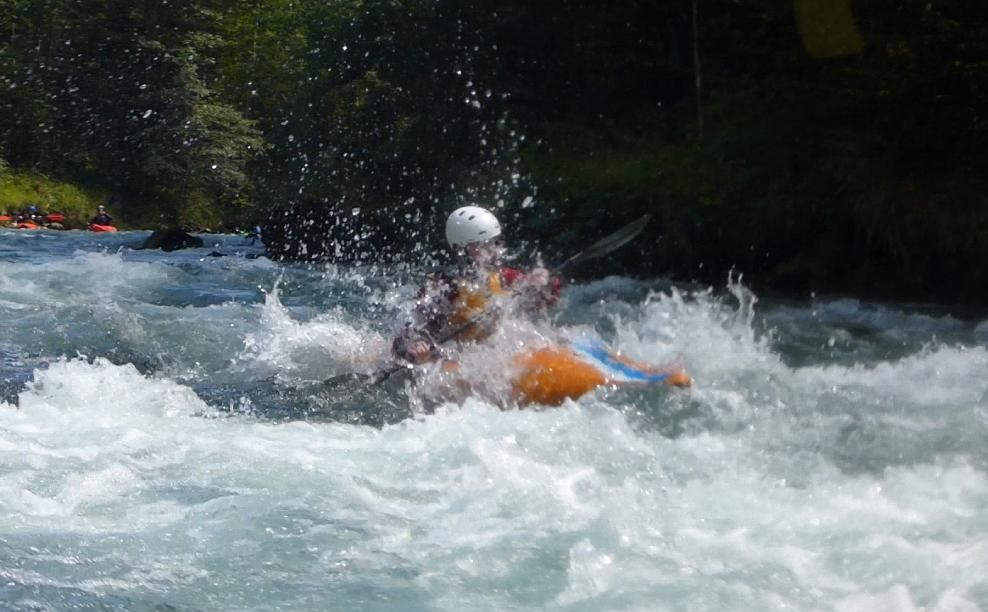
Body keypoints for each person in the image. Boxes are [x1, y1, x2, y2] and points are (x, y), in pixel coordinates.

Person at [391, 206, 562, 365]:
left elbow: (547, 301)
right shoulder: (441, 289)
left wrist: (545, 284)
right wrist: (416, 345)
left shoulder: (505, 278)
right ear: (461, 250)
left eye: (496, 242)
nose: (494, 251)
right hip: (453, 358)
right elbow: (404, 338)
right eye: (484, 245)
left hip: (489, 353)